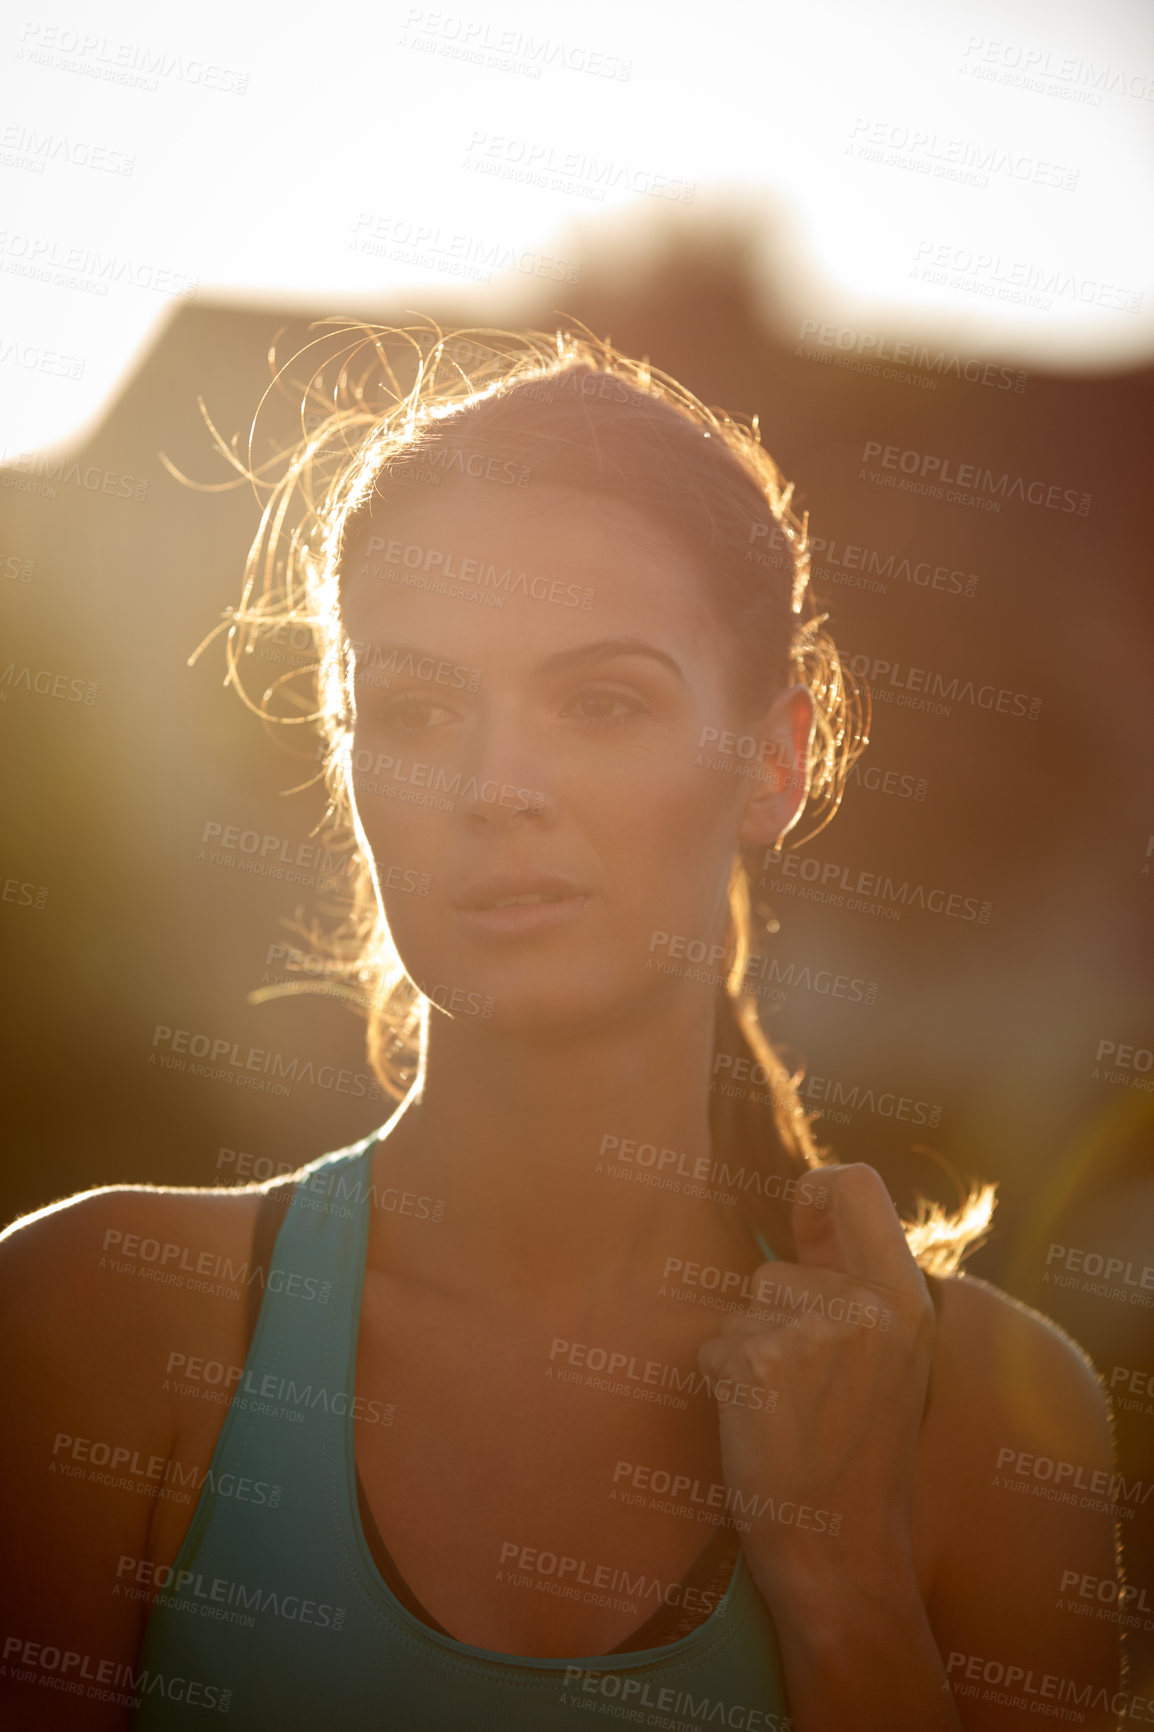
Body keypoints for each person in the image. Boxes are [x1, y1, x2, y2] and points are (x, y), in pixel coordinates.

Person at [0, 324, 1125, 1730]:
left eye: (601, 701)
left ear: (775, 758)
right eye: (414, 708)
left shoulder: (990, 1414)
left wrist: (842, 1590)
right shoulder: (92, 1323)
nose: (496, 785)